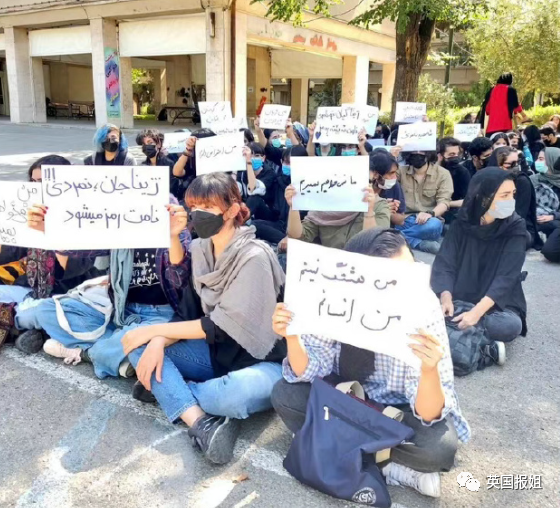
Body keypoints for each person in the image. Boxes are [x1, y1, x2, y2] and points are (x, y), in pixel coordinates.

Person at [272, 228, 470, 499]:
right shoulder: (331, 293)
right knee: (285, 395)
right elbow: (308, 370)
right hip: (343, 398)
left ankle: (332, 443)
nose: (406, 287)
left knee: (440, 447)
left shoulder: (424, 306)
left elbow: (429, 412)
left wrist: (429, 370)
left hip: (397, 411)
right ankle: (390, 466)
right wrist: (293, 336)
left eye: (409, 274)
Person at [122, 173, 286, 465]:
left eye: (207, 207)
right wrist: (157, 339)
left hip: (261, 360)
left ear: (232, 210)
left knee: (232, 396)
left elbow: (222, 326)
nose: (198, 214)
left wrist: (154, 332)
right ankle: (200, 422)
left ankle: (169, 390)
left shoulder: (255, 257)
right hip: (216, 354)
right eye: (194, 206)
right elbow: (189, 310)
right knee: (138, 345)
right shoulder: (200, 248)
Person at [24, 197, 190, 379]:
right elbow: (81, 247)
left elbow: (180, 277)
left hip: (160, 314)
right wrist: (47, 228)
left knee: (133, 340)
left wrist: (172, 236)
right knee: (46, 309)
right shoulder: (117, 215)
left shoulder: (170, 215)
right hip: (121, 310)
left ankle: (88, 352)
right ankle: (117, 351)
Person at [0, 155, 107, 354]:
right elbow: (8, 255)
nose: (36, 188)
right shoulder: (30, 213)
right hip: (30, 291)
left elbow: (76, 267)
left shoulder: (84, 216)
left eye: (43, 183)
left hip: (65, 295)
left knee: (42, 312)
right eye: (33, 182)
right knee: (24, 307)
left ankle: (24, 327)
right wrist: (9, 225)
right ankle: (25, 329)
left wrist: (50, 231)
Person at [431, 169, 528, 353]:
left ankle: (451, 333)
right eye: (504, 195)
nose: (511, 201)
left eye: (513, 194)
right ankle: (479, 344)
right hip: (458, 295)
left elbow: (506, 276)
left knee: (509, 326)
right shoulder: (462, 222)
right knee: (421, 305)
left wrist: (476, 313)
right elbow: (445, 263)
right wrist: (445, 297)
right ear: (483, 198)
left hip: (495, 303)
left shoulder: (515, 226)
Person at [285, 155, 391, 249]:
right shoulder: (324, 205)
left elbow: (376, 246)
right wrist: (293, 206)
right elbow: (298, 237)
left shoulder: (379, 205)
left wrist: (369, 211)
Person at [396, 151, 453, 254]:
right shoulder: (400, 171)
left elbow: (444, 202)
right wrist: (392, 156)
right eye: (414, 152)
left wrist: (429, 214)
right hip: (404, 219)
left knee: (434, 225)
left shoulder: (442, 173)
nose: (417, 154)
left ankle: (394, 237)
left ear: (428, 154)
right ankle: (419, 243)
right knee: (387, 222)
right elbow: (384, 180)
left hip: (429, 220)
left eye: (421, 152)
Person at [487, 147, 541, 249]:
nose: (515, 167)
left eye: (516, 163)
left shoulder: (521, 181)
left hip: (518, 228)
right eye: (509, 164)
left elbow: (519, 214)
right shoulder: (488, 179)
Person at [530, 148, 560, 262]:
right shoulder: (533, 180)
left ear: (552, 161)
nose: (537, 162)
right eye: (538, 159)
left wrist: (553, 216)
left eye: (541, 159)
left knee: (550, 250)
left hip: (554, 221)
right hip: (533, 220)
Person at [480, 72, 531, 137]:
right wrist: (525, 117)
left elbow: (487, 110)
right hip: (506, 126)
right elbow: (516, 107)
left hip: (491, 129)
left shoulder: (491, 91)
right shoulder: (511, 90)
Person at [236, 142, 277, 220]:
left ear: (263, 158)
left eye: (257, 156)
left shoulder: (269, 173)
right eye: (250, 155)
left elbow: (253, 189)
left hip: (267, 212)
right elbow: (236, 190)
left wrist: (249, 163)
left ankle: (239, 221)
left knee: (254, 198)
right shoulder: (242, 173)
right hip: (248, 209)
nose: (253, 158)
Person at [437, 138, 471, 222]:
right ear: (440, 156)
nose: (455, 157)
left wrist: (444, 204)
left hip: (451, 211)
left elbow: (466, 200)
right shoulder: (430, 171)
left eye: (457, 154)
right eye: (452, 154)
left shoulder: (462, 172)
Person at [369, 150, 406, 226]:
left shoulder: (394, 185)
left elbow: (401, 221)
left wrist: (386, 211)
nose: (395, 177)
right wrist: (380, 208)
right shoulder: (363, 189)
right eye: (391, 173)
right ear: (375, 174)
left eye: (395, 172)